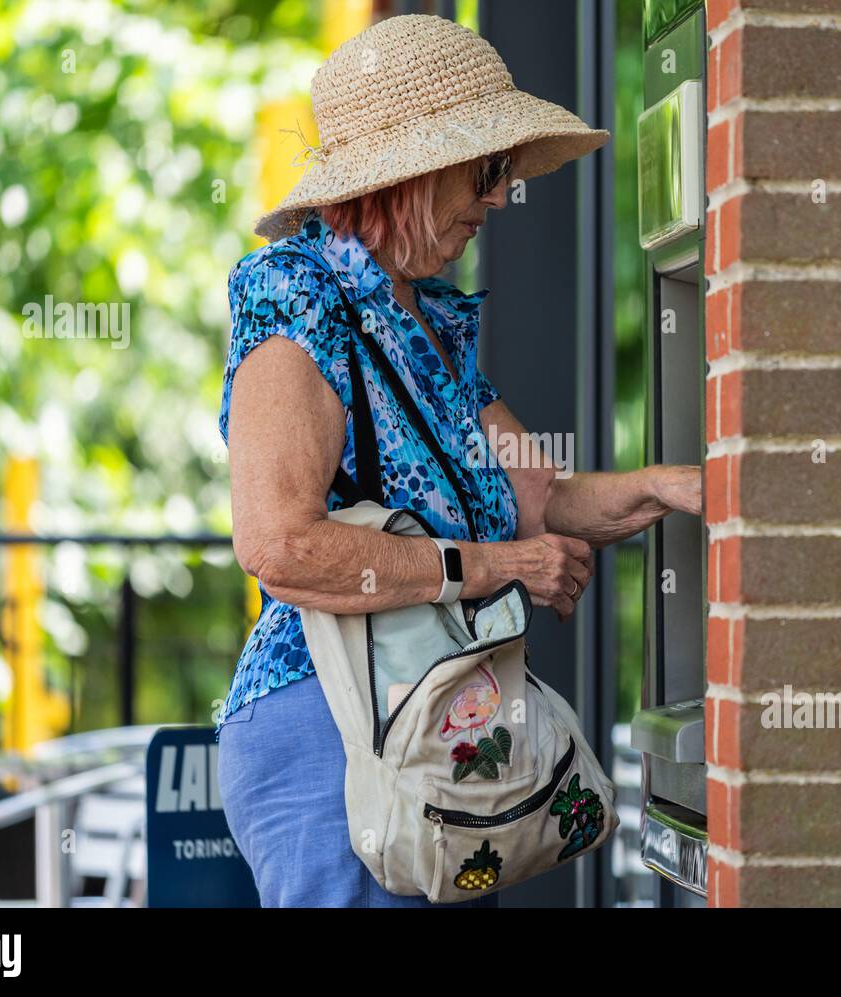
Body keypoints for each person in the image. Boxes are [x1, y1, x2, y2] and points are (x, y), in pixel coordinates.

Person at [215, 13, 701, 908]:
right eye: (486, 170)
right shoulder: (299, 299)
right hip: (329, 723)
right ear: (414, 172)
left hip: (417, 717)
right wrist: (492, 568)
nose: (499, 194)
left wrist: (677, 486)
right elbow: (279, 545)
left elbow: (542, 497)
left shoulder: (426, 320)